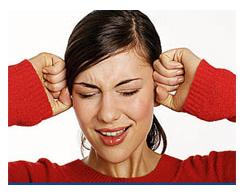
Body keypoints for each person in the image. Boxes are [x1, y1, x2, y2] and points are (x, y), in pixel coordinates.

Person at [8, 10, 236, 183]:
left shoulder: (217, 178)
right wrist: (14, 92)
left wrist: (222, 93)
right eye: (88, 93)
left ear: (158, 87)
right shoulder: (29, 182)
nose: (107, 114)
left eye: (128, 91)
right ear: (70, 94)